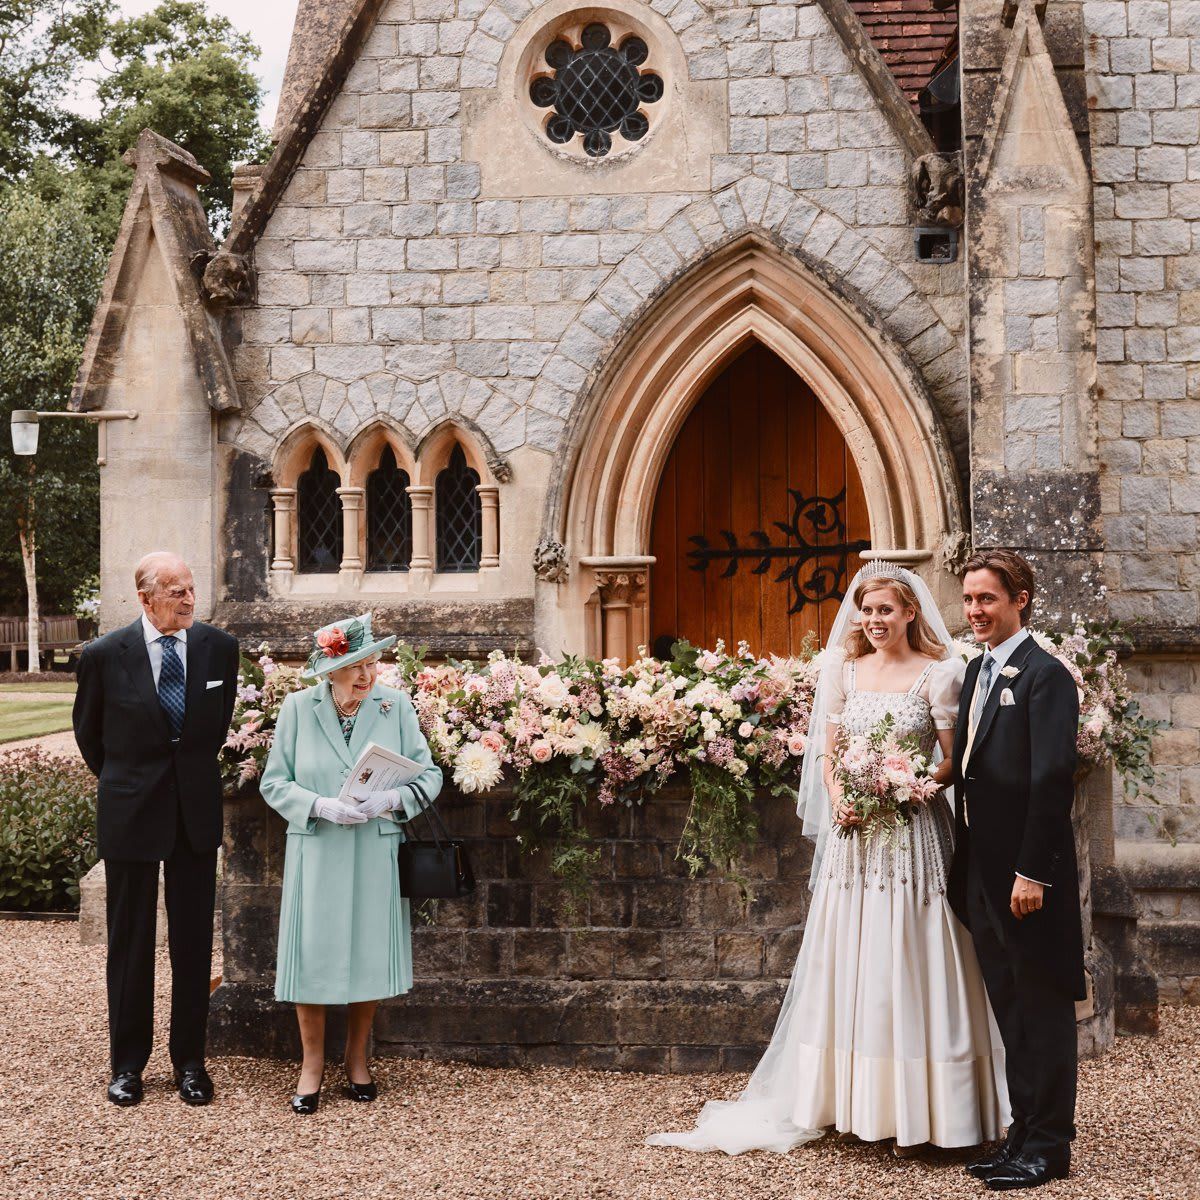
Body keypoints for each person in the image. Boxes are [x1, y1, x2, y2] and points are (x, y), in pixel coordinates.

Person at [648, 561, 1007, 1156]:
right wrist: (844, 799)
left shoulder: (940, 674)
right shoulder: (843, 669)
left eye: (886, 610)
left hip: (913, 833)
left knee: (915, 951)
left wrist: (910, 786)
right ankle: (849, 1099)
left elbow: (953, 758)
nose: (874, 621)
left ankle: (932, 1106)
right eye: (867, 611)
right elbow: (827, 753)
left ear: (910, 612)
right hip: (854, 837)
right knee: (854, 951)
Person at [73, 551, 239, 1108]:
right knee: (130, 942)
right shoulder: (102, 655)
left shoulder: (220, 649)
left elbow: (213, 731)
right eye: (177, 592)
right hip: (130, 812)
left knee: (193, 944)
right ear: (146, 599)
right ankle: (127, 1066)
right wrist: (132, 784)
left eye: (191, 589)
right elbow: (90, 738)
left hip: (195, 815)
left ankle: (190, 1061)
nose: (190, 600)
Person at [259, 613, 442, 1114]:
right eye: (355, 665)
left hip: (373, 845)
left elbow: (429, 777)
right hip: (316, 845)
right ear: (329, 669)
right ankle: (311, 1064)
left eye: (372, 662)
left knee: (367, 951)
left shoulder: (395, 706)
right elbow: (274, 783)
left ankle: (357, 1058)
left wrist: (391, 801)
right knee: (311, 955)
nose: (367, 674)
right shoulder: (298, 708)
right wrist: (319, 806)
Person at [949, 550, 1083, 1190]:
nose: (975, 611)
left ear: (1020, 599)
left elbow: (1052, 782)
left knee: (1043, 1010)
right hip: (982, 871)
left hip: (1028, 882)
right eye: (970, 599)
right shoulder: (977, 672)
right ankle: (1021, 1133)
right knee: (1011, 1009)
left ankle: (1050, 1146)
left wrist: (1033, 872)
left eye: (987, 600)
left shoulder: (1046, 676)